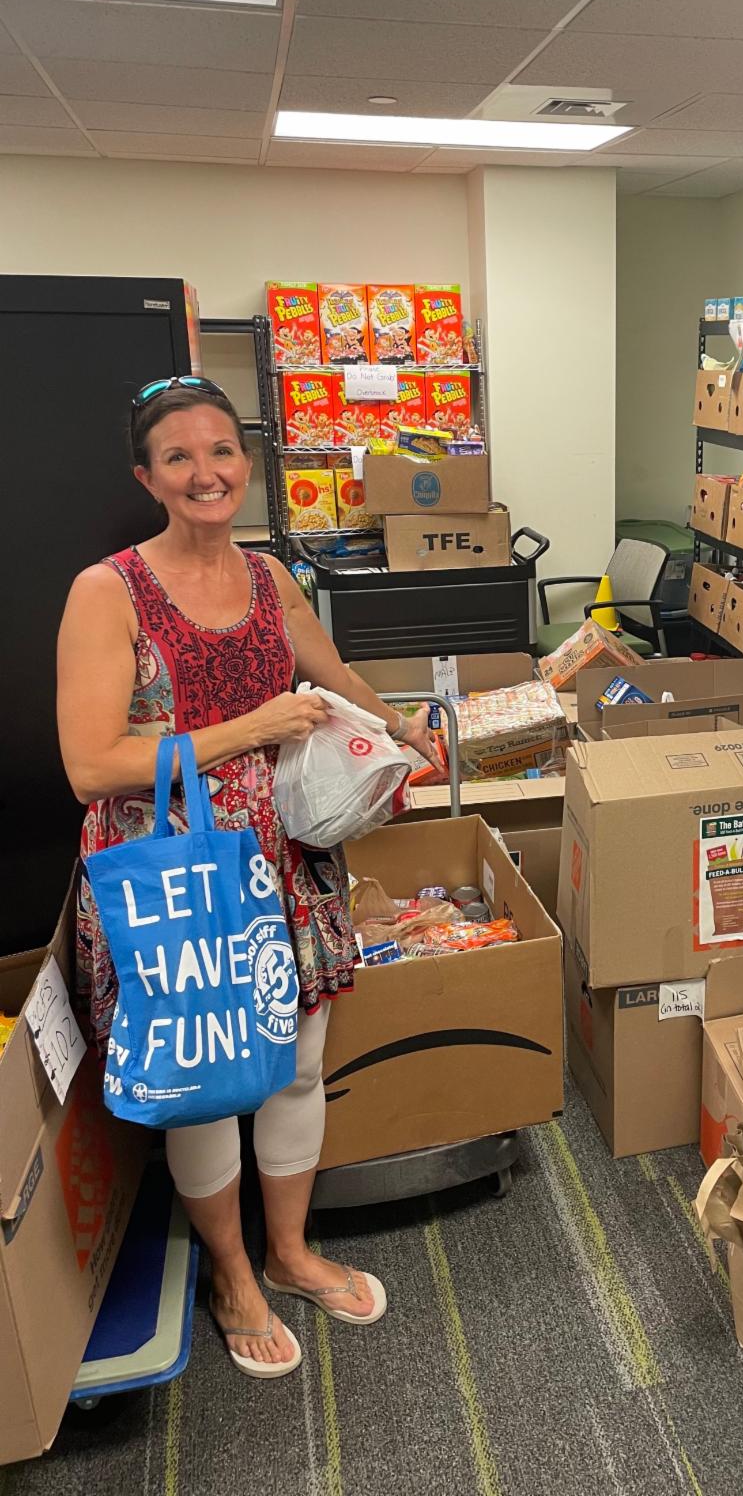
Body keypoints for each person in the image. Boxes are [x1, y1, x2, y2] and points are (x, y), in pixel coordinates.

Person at [57, 376, 440, 1378]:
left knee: (294, 1063)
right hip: (175, 869)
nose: (205, 472)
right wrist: (251, 729)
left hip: (285, 861)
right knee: (200, 1080)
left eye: (221, 450)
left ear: (246, 463)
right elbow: (92, 762)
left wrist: (404, 727)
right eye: (178, 456)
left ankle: (290, 1249)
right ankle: (231, 1274)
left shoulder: (271, 578)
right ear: (148, 477)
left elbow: (335, 675)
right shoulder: (109, 592)